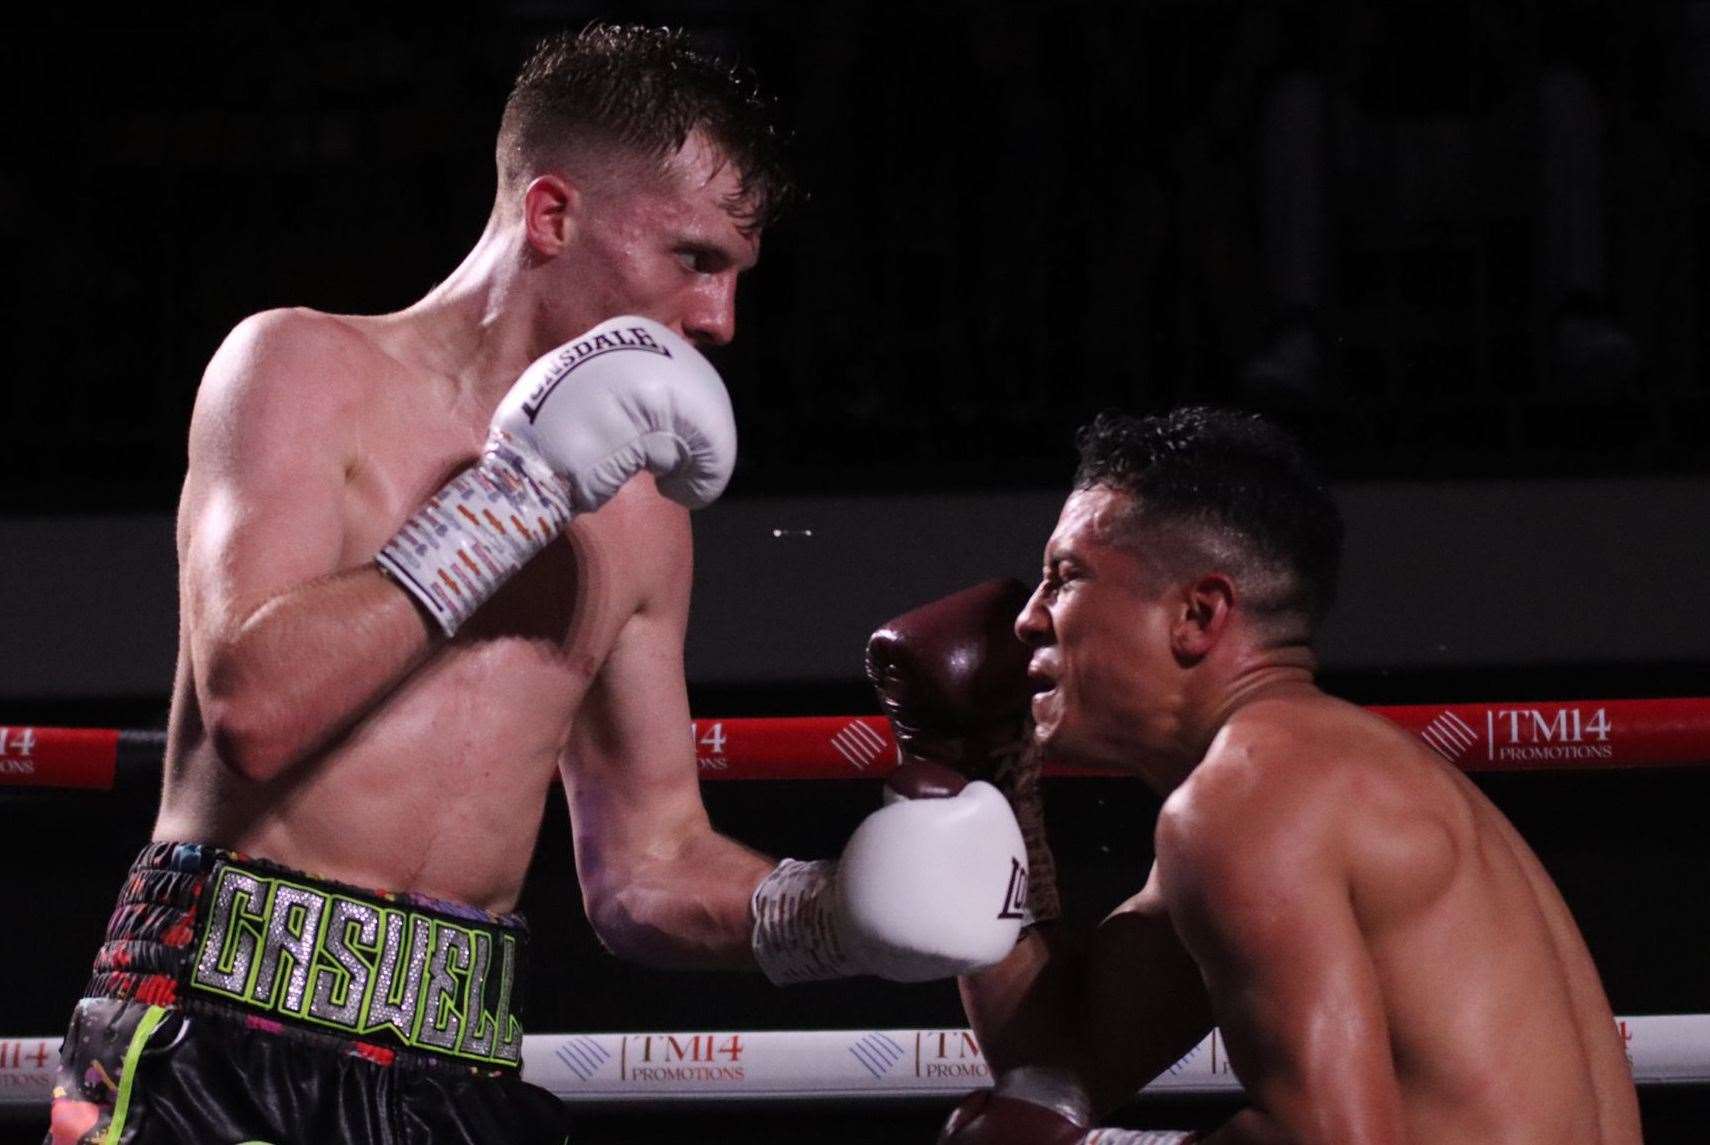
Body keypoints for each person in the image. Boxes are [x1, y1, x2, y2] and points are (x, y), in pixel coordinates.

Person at [47, 25, 1028, 1145]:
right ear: (553, 215)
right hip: (213, 1036)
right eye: (696, 259)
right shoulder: (302, 369)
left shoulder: (643, 515)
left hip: (458, 1069)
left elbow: (646, 864)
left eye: (738, 277)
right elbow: (254, 714)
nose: (719, 322)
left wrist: (830, 915)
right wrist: (513, 501)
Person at [867, 407, 1641, 1143]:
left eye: (1065, 576)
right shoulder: (1319, 777)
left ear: (1199, 615)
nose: (1028, 617)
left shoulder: (1252, 795)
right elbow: (1059, 1064)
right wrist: (985, 776)